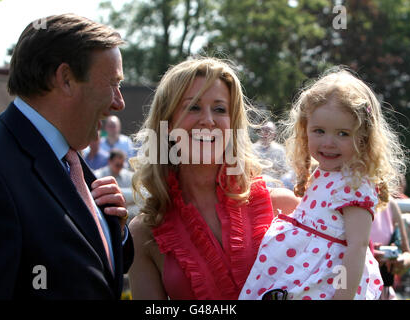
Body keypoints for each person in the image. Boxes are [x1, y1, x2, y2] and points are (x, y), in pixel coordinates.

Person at [0, 14, 134, 299]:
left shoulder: (65, 154)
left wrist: (114, 232)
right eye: (112, 83)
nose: (119, 102)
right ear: (66, 79)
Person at [128, 57, 299, 299]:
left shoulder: (282, 207)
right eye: (193, 107)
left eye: (219, 109)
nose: (208, 120)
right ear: (167, 124)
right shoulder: (145, 232)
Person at [240, 68, 407, 300]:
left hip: (326, 284)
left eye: (342, 134)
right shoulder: (323, 174)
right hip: (298, 273)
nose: (329, 142)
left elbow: (357, 248)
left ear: (363, 137)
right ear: (305, 130)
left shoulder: (355, 183)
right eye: (319, 131)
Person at [371, 198, 410, 299]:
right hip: (351, 288)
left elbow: (408, 254)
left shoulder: (389, 203)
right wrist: (369, 257)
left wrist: (400, 261)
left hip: (383, 292)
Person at [95, 149, 138, 221]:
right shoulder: (98, 176)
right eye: (117, 165)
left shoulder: (129, 177)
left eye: (121, 165)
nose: (120, 168)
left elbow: (137, 197)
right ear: (110, 162)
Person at [253, 121, 294, 189]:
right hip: (258, 183)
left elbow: (286, 170)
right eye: (263, 130)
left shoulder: (279, 150)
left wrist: (274, 168)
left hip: (275, 184)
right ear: (260, 132)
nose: (265, 133)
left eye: (269, 131)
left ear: (274, 134)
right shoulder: (252, 149)